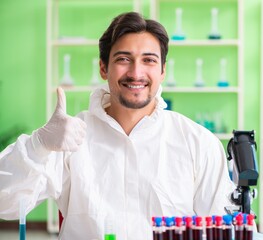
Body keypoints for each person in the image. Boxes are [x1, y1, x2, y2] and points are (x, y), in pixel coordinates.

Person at [0, 12, 235, 240]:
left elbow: (223, 229)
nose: (136, 73)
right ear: (103, 68)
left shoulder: (197, 142)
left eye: (149, 60)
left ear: (163, 70)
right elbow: (4, 203)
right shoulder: (68, 138)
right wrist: (38, 145)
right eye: (123, 59)